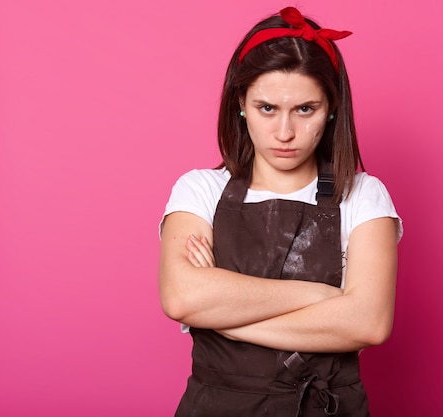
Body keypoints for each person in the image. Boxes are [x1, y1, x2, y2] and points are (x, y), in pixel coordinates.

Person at [159, 6, 403, 416]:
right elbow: (183, 297)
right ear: (241, 103)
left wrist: (223, 318)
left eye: (304, 109)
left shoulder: (363, 195)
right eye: (267, 108)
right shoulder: (199, 189)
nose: (285, 132)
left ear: (331, 108)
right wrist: (321, 296)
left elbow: (368, 323)